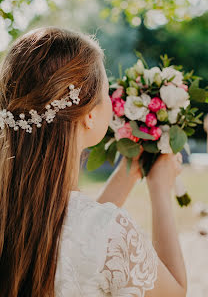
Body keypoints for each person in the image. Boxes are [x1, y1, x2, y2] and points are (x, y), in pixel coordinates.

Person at [0, 27, 187, 297]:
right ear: (89, 115)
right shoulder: (112, 232)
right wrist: (159, 189)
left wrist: (127, 173)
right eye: (106, 91)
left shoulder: (17, 215)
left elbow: (70, 232)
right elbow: (177, 292)